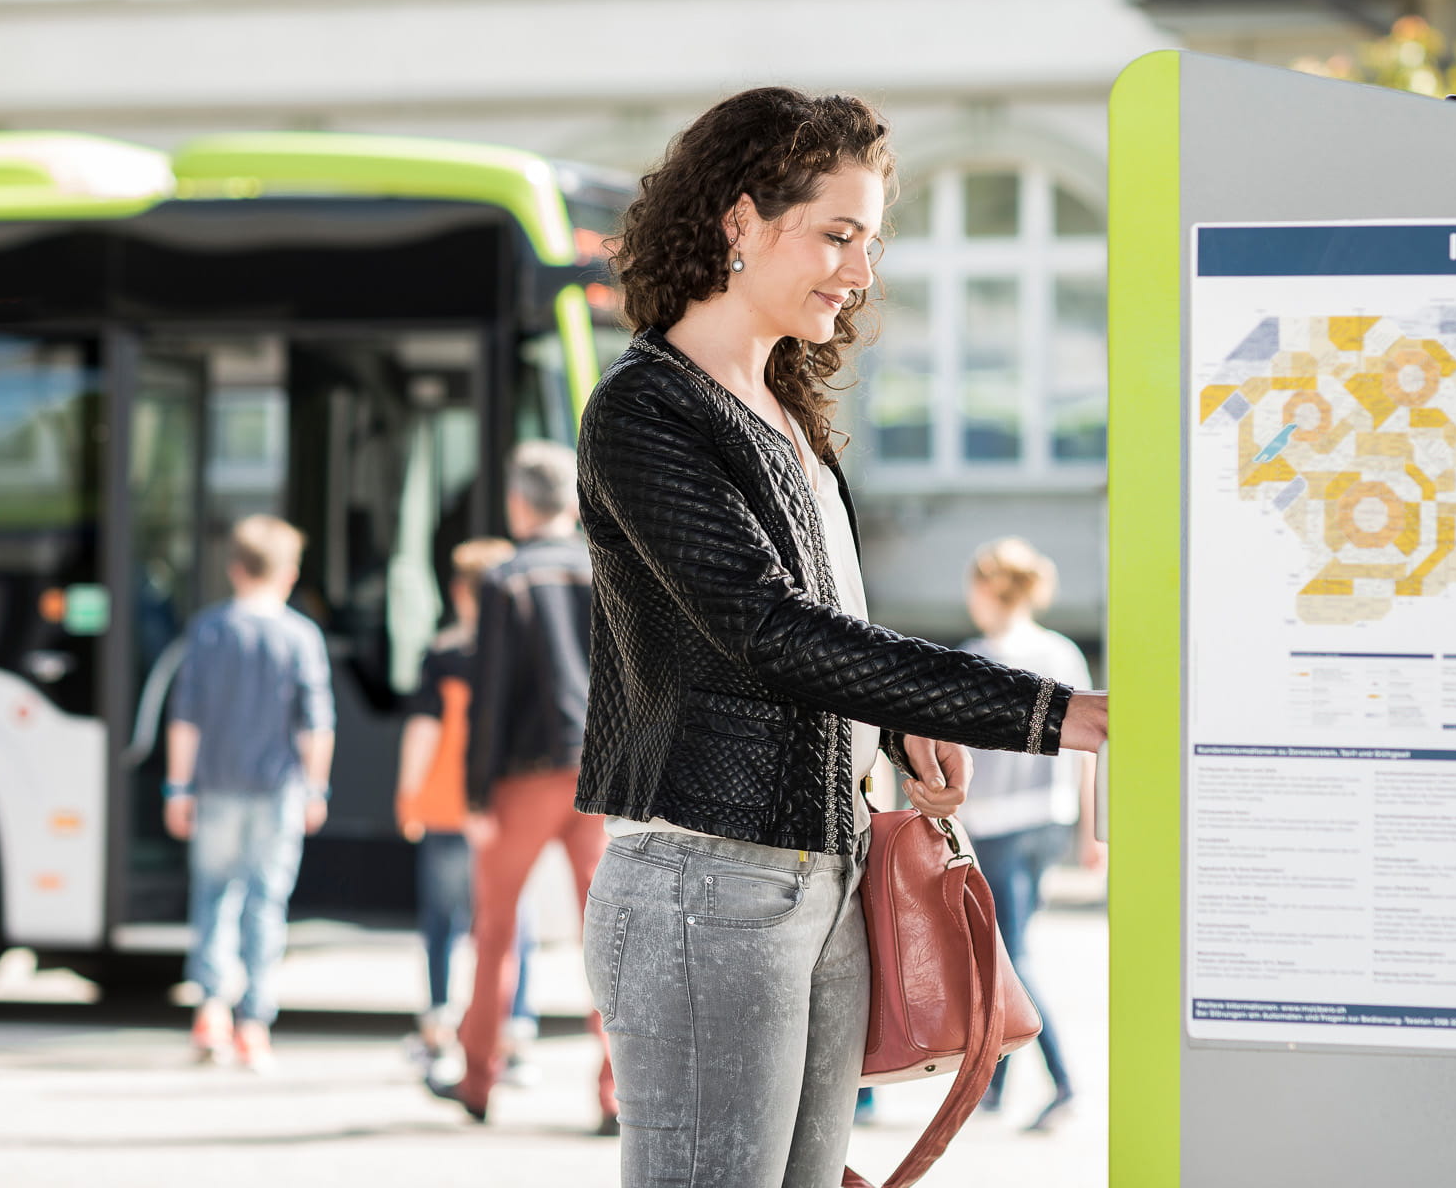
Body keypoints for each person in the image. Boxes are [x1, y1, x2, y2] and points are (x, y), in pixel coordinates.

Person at [572, 86, 1109, 1186]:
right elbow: (763, 625)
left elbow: (829, 623)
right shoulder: (644, 410)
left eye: (868, 241)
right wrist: (1045, 712)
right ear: (737, 221)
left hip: (824, 871)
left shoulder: (787, 413)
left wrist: (895, 726)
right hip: (703, 884)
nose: (858, 272)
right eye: (835, 233)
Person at [429, 441, 617, 1133]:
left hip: (522, 781)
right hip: (598, 778)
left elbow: (491, 696)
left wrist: (475, 796)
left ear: (516, 502)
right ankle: (615, 1091)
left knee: (497, 930)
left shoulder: (505, 579)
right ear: (572, 501)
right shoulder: (607, 567)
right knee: (609, 937)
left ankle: (478, 1079)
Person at [163, 514, 335, 1073]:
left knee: (214, 894)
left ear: (234, 569)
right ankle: (253, 1025)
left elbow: (185, 717)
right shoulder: (300, 636)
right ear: (288, 573)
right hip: (277, 790)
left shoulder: (210, 630)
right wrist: (316, 788)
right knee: (266, 902)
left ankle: (210, 1009)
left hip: (215, 786)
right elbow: (316, 724)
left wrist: (177, 786)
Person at [959, 536, 1099, 1134]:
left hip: (997, 824)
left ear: (990, 589)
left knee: (1009, 958)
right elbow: (1091, 746)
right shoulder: (1062, 651)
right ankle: (995, 1088)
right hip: (1051, 818)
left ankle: (1064, 1084)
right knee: (1008, 952)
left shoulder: (977, 655)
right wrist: (1091, 832)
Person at [394, 536, 542, 1084]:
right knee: (509, 925)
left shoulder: (444, 654)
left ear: (459, 591)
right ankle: (516, 1033)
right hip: (505, 809)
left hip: (446, 808)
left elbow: (423, 732)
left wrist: (407, 794)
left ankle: (437, 1025)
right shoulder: (521, 658)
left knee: (442, 920)